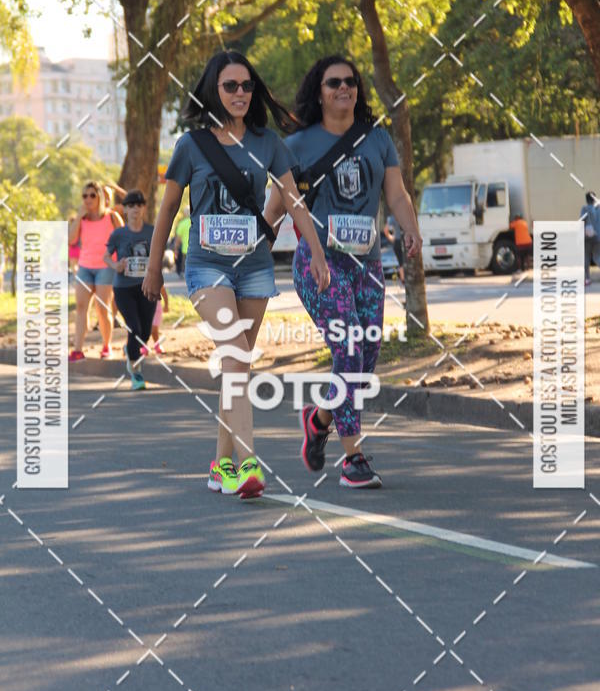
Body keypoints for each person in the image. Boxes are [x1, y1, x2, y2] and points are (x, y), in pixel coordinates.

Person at [141, 49, 329, 498]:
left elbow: (293, 201)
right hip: (206, 267)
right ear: (213, 90)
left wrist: (316, 250)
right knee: (237, 359)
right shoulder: (191, 145)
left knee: (235, 368)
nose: (240, 93)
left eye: (246, 86)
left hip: (255, 270)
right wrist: (154, 268)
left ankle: (220, 465)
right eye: (230, 86)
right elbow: (167, 208)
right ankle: (248, 463)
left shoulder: (268, 143)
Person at [278, 54, 422, 489]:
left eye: (351, 82)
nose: (345, 88)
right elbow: (277, 203)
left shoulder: (377, 140)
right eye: (334, 82)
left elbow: (395, 194)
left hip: (368, 265)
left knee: (366, 357)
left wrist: (410, 228)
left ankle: (318, 419)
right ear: (318, 93)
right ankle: (353, 458)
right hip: (319, 263)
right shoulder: (298, 145)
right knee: (350, 350)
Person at [103, 190, 156, 390]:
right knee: (134, 328)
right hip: (124, 287)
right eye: (130, 205)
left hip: (147, 286)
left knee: (145, 332)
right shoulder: (119, 233)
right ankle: (136, 373)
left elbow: (158, 256)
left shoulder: (152, 231)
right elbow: (106, 256)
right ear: (124, 209)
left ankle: (131, 351)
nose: (135, 209)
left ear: (144, 208)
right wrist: (115, 265)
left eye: (138, 205)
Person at [68, 181, 123, 361]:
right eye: (84, 196)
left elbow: (124, 238)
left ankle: (106, 346)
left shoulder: (112, 217)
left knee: (102, 307)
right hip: (85, 267)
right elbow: (71, 239)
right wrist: (78, 216)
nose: (88, 199)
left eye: (92, 195)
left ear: (99, 196)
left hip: (106, 267)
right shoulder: (82, 219)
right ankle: (78, 350)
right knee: (81, 308)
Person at [141, 284, 169, 356]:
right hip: (144, 308)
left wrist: (166, 304)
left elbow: (163, 291)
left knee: (154, 330)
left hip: (156, 308)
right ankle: (144, 345)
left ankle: (157, 345)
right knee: (144, 328)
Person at [581, 191, 600, 286]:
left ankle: (587, 279)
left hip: (587, 237)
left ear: (587, 199)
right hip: (598, 237)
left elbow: (581, 221)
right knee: (597, 257)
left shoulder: (585, 209)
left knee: (586, 258)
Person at [383, 213, 405, 283]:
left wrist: (392, 238)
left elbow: (385, 230)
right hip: (406, 240)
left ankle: (403, 280)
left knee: (400, 262)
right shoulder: (407, 215)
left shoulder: (393, 217)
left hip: (397, 241)